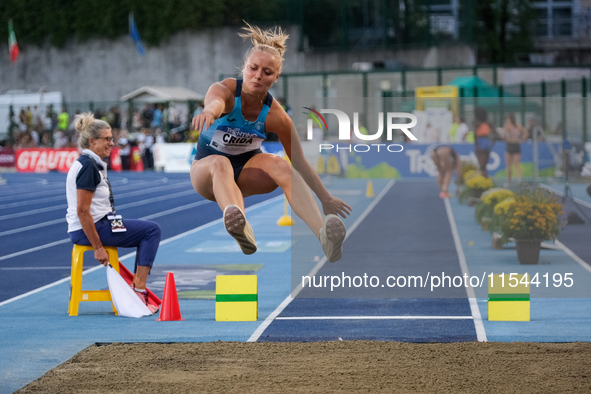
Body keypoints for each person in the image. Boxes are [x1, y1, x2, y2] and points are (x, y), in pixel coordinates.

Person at [190, 23, 352, 262]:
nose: (258, 76)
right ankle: (240, 226)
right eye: (253, 68)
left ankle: (324, 237)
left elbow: (299, 162)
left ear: (276, 77)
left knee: (282, 165)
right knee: (220, 163)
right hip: (207, 172)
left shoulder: (276, 116)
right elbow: (215, 102)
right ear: (244, 68)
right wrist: (209, 112)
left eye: (267, 72)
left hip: (246, 172)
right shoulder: (224, 90)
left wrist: (325, 198)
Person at [66, 113, 161, 314]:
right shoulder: (89, 167)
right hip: (91, 228)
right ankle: (139, 292)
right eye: (107, 139)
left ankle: (137, 288)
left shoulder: (89, 162)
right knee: (151, 231)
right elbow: (83, 211)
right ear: (92, 141)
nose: (112, 142)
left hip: (98, 223)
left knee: (146, 229)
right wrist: (98, 247)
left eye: (111, 138)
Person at [502, 113, 529, 185]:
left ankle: (509, 181)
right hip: (517, 144)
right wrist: (522, 139)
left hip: (510, 144)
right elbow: (526, 132)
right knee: (517, 164)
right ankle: (519, 180)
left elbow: (503, 135)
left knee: (508, 165)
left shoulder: (507, 126)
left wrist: (506, 139)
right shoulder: (518, 126)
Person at [473, 106, 494, 177]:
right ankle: (486, 180)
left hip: (480, 142)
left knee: (481, 166)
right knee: (485, 165)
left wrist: (476, 146)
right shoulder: (487, 122)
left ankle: (482, 181)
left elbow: (475, 135)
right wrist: (492, 143)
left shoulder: (476, 123)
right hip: (487, 141)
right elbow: (495, 133)